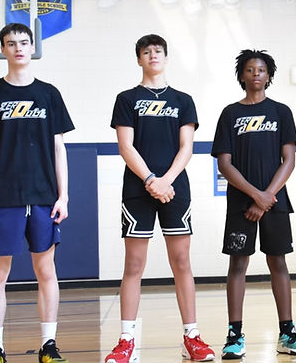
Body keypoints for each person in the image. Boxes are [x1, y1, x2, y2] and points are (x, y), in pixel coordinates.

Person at [0, 23, 74, 363]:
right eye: (11, 43)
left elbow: (59, 148)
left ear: (32, 48)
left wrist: (64, 195)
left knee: (47, 271)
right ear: (2, 49)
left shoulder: (49, 94)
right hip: (3, 197)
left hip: (43, 196)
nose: (18, 48)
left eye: (24, 42)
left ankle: (49, 345)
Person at [105, 34, 212, 363]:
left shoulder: (183, 100)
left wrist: (166, 180)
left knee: (181, 262)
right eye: (146, 52)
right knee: (134, 265)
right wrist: (151, 179)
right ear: (139, 59)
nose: (152, 56)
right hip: (139, 189)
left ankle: (191, 336)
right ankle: (126, 341)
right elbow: (126, 146)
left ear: (166, 58)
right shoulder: (126, 98)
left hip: (175, 187)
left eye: (158, 51)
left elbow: (187, 147)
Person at [211, 50, 296, 357]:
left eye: (261, 69)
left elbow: (289, 161)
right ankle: (234, 335)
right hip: (242, 203)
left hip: (274, 201)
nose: (256, 73)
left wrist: (266, 199)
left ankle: (287, 332)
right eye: (250, 69)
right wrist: (255, 195)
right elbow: (225, 164)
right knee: (237, 264)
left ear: (269, 76)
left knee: (278, 262)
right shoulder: (229, 114)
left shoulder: (281, 112)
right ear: (242, 75)